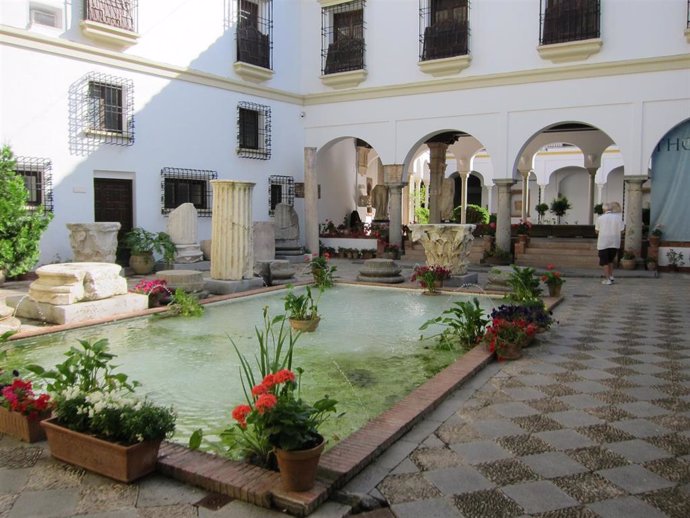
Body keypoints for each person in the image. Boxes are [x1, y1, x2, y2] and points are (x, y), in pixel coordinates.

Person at [595, 201, 625, 285]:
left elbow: (597, 231)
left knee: (604, 262)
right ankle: (611, 276)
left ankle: (607, 279)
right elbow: (622, 231)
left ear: (603, 209)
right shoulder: (618, 218)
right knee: (611, 260)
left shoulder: (600, 218)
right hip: (614, 242)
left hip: (603, 243)